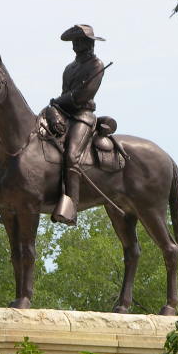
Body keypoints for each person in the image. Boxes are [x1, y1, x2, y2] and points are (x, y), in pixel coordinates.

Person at [50, 24, 106, 225]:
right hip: (64, 113)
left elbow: (84, 95)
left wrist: (61, 100)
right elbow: (66, 92)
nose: (79, 44)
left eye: (83, 40)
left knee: (72, 155)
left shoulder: (96, 65)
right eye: (77, 41)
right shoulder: (69, 68)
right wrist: (57, 104)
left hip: (83, 115)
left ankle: (71, 208)